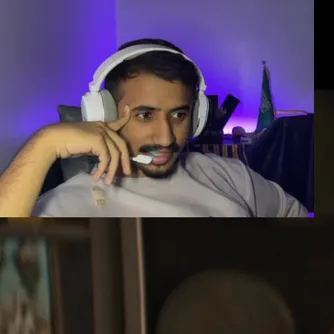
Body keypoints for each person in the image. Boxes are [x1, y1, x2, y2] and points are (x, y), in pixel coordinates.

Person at [0, 39, 308, 218]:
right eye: (145, 115)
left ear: (197, 116)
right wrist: (45, 142)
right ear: (104, 114)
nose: (166, 138)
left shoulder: (232, 176)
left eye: (179, 115)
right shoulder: (64, 205)